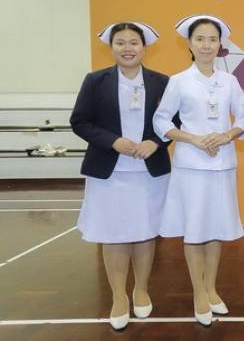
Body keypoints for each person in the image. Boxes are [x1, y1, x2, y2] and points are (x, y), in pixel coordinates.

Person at [70, 21, 171, 330]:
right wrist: (113, 141)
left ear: (144, 47)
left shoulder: (162, 82)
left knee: (144, 231)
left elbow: (176, 120)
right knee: (113, 233)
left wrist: (156, 142)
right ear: (111, 47)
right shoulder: (95, 81)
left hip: (148, 170)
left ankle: (141, 289)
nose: (128, 48)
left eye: (133, 42)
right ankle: (118, 296)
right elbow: (79, 121)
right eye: (121, 43)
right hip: (109, 171)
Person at [153, 14, 244, 326]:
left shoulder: (230, 81)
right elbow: (161, 120)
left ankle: (211, 288)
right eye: (200, 39)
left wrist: (226, 135)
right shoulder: (179, 81)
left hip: (222, 164)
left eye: (212, 39)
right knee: (195, 230)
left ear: (220, 44)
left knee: (215, 229)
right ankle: (198, 292)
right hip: (191, 166)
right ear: (190, 44)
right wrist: (193, 138)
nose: (206, 45)